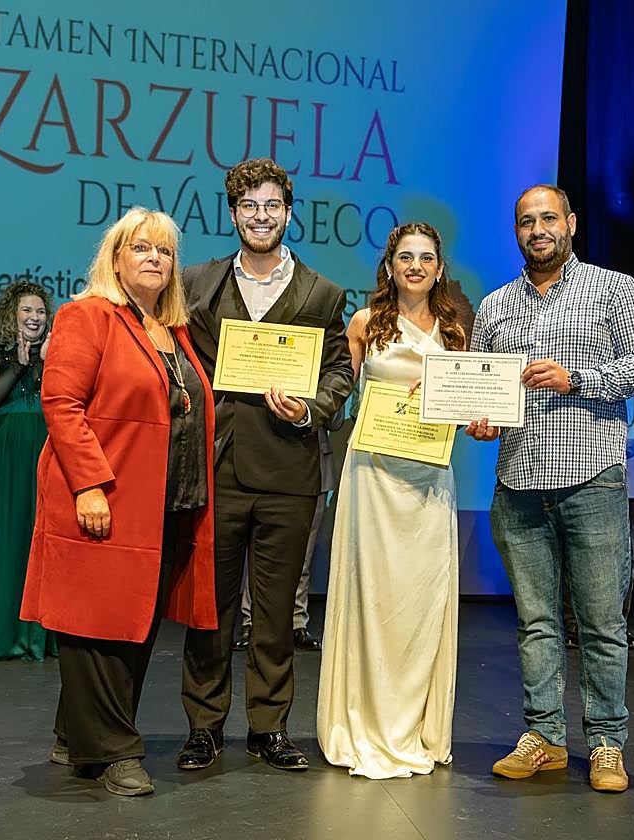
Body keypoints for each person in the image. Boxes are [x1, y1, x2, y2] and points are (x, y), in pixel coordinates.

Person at [466, 185, 634, 793]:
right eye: (526, 221)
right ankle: (545, 736)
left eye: (548, 218)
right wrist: (479, 415)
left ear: (571, 223)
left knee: (601, 622)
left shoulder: (614, 289)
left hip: (593, 479)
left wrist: (575, 377)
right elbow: (480, 386)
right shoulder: (495, 305)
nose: (538, 229)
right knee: (536, 622)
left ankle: (606, 743)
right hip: (518, 480)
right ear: (516, 232)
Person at [20, 207, 217, 797]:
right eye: (142, 248)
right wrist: (87, 484)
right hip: (105, 499)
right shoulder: (86, 316)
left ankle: (74, 732)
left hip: (166, 502)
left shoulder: (175, 331)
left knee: (130, 628)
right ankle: (112, 752)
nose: (155, 258)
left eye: (164, 251)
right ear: (115, 257)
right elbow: (61, 405)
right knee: (99, 627)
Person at [179, 158, 353, 773]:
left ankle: (269, 729)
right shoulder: (195, 283)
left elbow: (339, 371)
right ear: (233, 214)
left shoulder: (322, 293)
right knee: (212, 610)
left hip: (289, 470)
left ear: (287, 211)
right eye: (249, 206)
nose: (261, 216)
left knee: (276, 614)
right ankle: (203, 727)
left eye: (272, 206)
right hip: (216, 468)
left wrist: (312, 409)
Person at [317, 221, 466, 779]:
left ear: (439, 269)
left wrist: (475, 418)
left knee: (422, 600)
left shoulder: (456, 332)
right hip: (373, 477)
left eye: (426, 258)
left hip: (429, 480)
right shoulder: (363, 324)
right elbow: (337, 391)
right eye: (405, 257)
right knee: (373, 596)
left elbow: (463, 400)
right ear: (389, 265)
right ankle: (365, 721)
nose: (415, 267)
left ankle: (413, 724)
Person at [0, 281, 56, 661]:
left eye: (40, 311)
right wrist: (19, 365)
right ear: (11, 315)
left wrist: (53, 360)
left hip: (48, 448)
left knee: (43, 536)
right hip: (5, 452)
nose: (35, 317)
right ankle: (3, 631)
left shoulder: (57, 354)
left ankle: (44, 634)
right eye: (27, 311)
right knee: (6, 535)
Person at [563, 361, 634, 650]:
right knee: (576, 547)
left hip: (631, 468)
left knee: (625, 553)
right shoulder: (588, 352)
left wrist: (616, 441)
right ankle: (574, 626)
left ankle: (617, 625)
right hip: (584, 464)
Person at [233, 421, 340, 654]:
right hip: (263, 461)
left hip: (311, 465)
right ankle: (251, 621)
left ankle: (297, 622)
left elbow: (336, 419)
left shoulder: (329, 382)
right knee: (260, 550)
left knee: (303, 552)